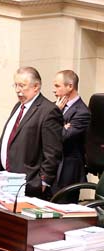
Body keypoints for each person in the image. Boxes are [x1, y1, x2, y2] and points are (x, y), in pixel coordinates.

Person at [0, 66, 63, 199]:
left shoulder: (48, 111)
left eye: (22, 86)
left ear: (36, 86)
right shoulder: (18, 106)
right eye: (16, 85)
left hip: (28, 185)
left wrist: (43, 181)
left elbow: (53, 152)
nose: (18, 90)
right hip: (4, 180)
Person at [52, 69, 91, 201]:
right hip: (51, 169)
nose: (54, 90)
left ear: (70, 86)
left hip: (67, 172)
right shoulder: (55, 107)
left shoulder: (82, 112)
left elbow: (63, 137)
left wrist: (56, 120)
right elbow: (43, 132)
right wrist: (61, 124)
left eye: (57, 86)